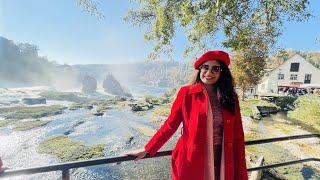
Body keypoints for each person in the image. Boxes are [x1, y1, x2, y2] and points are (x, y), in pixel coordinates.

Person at [125, 50, 248, 180]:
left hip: (223, 157)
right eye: (205, 67)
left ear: (222, 72)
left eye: (215, 69)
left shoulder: (230, 97)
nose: (209, 73)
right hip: (192, 159)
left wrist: (240, 168)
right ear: (200, 69)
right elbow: (170, 125)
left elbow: (238, 134)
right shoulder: (186, 94)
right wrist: (148, 148)